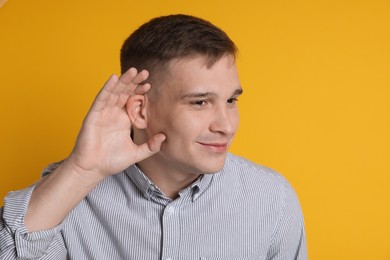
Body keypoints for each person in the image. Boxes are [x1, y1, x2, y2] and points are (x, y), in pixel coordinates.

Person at [0, 14, 307, 259]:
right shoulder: (70, 193)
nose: (226, 126)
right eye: (200, 102)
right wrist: (82, 171)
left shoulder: (271, 199)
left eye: (231, 100)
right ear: (140, 110)